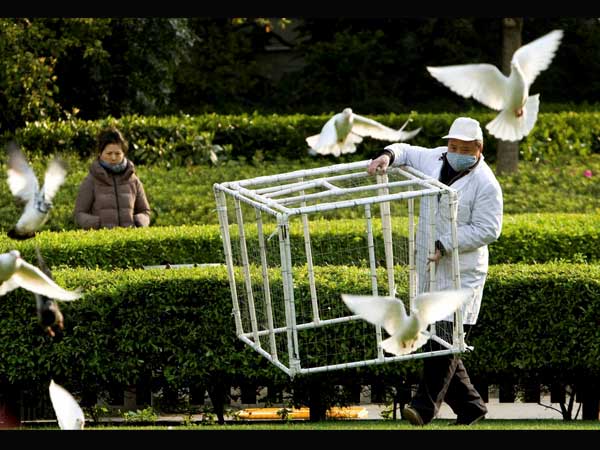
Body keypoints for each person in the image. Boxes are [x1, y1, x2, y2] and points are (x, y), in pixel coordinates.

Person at [367, 117, 503, 426]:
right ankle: (471, 407)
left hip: (462, 273)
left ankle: (423, 408)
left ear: (479, 149)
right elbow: (405, 151)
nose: (456, 152)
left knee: (444, 340)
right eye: (452, 146)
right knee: (438, 339)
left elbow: (489, 229)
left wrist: (447, 243)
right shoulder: (436, 158)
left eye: (464, 149)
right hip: (430, 266)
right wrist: (387, 155)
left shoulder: (486, 184)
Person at [74, 126, 151, 229]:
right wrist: (97, 224)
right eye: (109, 153)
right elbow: (79, 213)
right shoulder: (91, 180)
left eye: (118, 153)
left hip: (130, 236)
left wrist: (139, 221)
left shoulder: (133, 180)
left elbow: (145, 211)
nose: (113, 157)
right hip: (103, 237)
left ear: (123, 153)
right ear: (100, 153)